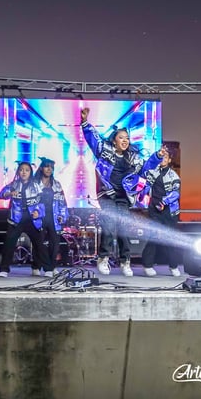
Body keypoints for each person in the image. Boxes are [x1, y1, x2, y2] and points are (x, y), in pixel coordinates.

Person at [81, 106, 144, 276]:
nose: (125, 140)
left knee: (123, 228)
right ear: (114, 140)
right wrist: (85, 122)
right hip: (106, 194)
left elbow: (147, 168)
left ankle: (125, 261)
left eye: (127, 138)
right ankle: (103, 258)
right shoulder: (105, 151)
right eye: (121, 137)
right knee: (108, 225)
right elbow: (93, 140)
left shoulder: (133, 158)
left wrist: (158, 157)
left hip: (123, 197)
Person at [126, 146, 181, 277]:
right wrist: (138, 195)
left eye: (165, 157)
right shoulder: (152, 172)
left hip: (169, 211)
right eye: (161, 157)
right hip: (154, 210)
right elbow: (144, 186)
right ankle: (148, 265)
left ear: (169, 160)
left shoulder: (174, 176)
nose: (163, 160)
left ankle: (173, 266)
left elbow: (176, 193)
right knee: (152, 237)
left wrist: (164, 202)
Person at [0, 161, 46, 278]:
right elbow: (0, 194)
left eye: (27, 170)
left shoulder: (36, 186)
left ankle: (37, 267)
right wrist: (9, 194)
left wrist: (38, 212)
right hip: (16, 219)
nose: (24, 172)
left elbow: (43, 202)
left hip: (32, 219)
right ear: (18, 172)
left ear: (30, 172)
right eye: (21, 170)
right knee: (9, 244)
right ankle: (4, 269)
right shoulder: (13, 184)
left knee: (39, 244)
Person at [35, 157, 68, 277]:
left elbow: (63, 202)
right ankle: (36, 266)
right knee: (39, 243)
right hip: (39, 217)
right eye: (47, 166)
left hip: (53, 217)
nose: (49, 169)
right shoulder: (34, 184)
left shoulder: (57, 184)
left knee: (55, 243)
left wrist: (62, 216)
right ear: (41, 168)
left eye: (51, 167)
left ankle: (52, 266)